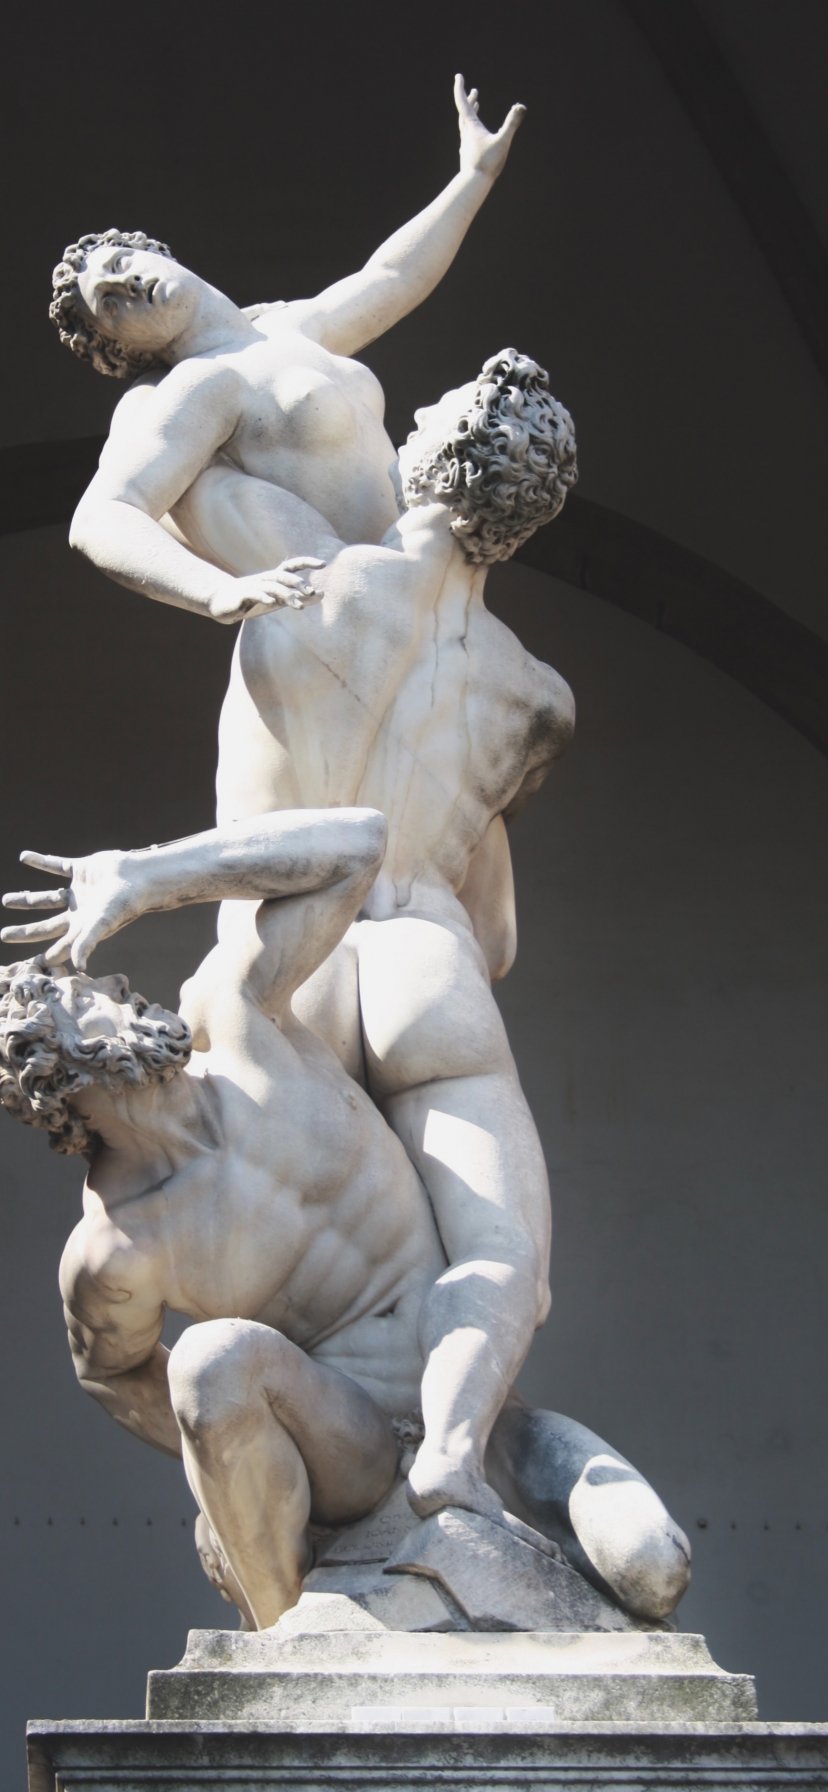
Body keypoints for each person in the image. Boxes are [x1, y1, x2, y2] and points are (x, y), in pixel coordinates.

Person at [0, 816, 689, 1630]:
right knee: (212, 1363)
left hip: (491, 1417)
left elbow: (359, 844)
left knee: (653, 1568)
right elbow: (112, 1375)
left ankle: (450, 1466)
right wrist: (238, 1459)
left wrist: (147, 877)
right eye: (83, 997)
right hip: (351, 1446)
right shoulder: (118, 1246)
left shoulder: (241, 1019)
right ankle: (283, 1631)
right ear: (46, 1069)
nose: (115, 989)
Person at [194, 349, 579, 1522]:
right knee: (503, 1261)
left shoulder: (296, 580)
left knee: (297, 1285)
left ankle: (305, 1498)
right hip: (428, 959)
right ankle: (450, 1454)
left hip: (286, 961)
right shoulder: (536, 698)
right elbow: (497, 933)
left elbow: (168, 478)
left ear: (420, 458)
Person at [52, 77, 526, 622]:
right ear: (121, 348)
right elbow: (103, 514)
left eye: (120, 264)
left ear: (155, 252)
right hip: (350, 609)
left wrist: (474, 176)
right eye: (111, 304)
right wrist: (212, 592)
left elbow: (392, 278)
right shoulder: (199, 384)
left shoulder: (290, 327)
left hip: (424, 584)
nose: (128, 285)